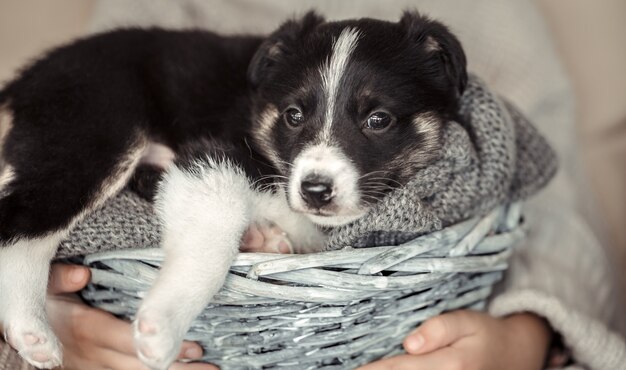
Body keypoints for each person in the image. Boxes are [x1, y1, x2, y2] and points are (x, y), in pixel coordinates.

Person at [2, 1, 626, 369]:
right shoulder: (227, 76)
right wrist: (57, 319)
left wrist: (527, 335)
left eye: (376, 120)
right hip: (125, 90)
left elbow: (545, 190)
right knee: (77, 168)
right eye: (297, 117)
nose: (321, 164)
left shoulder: (473, 37)